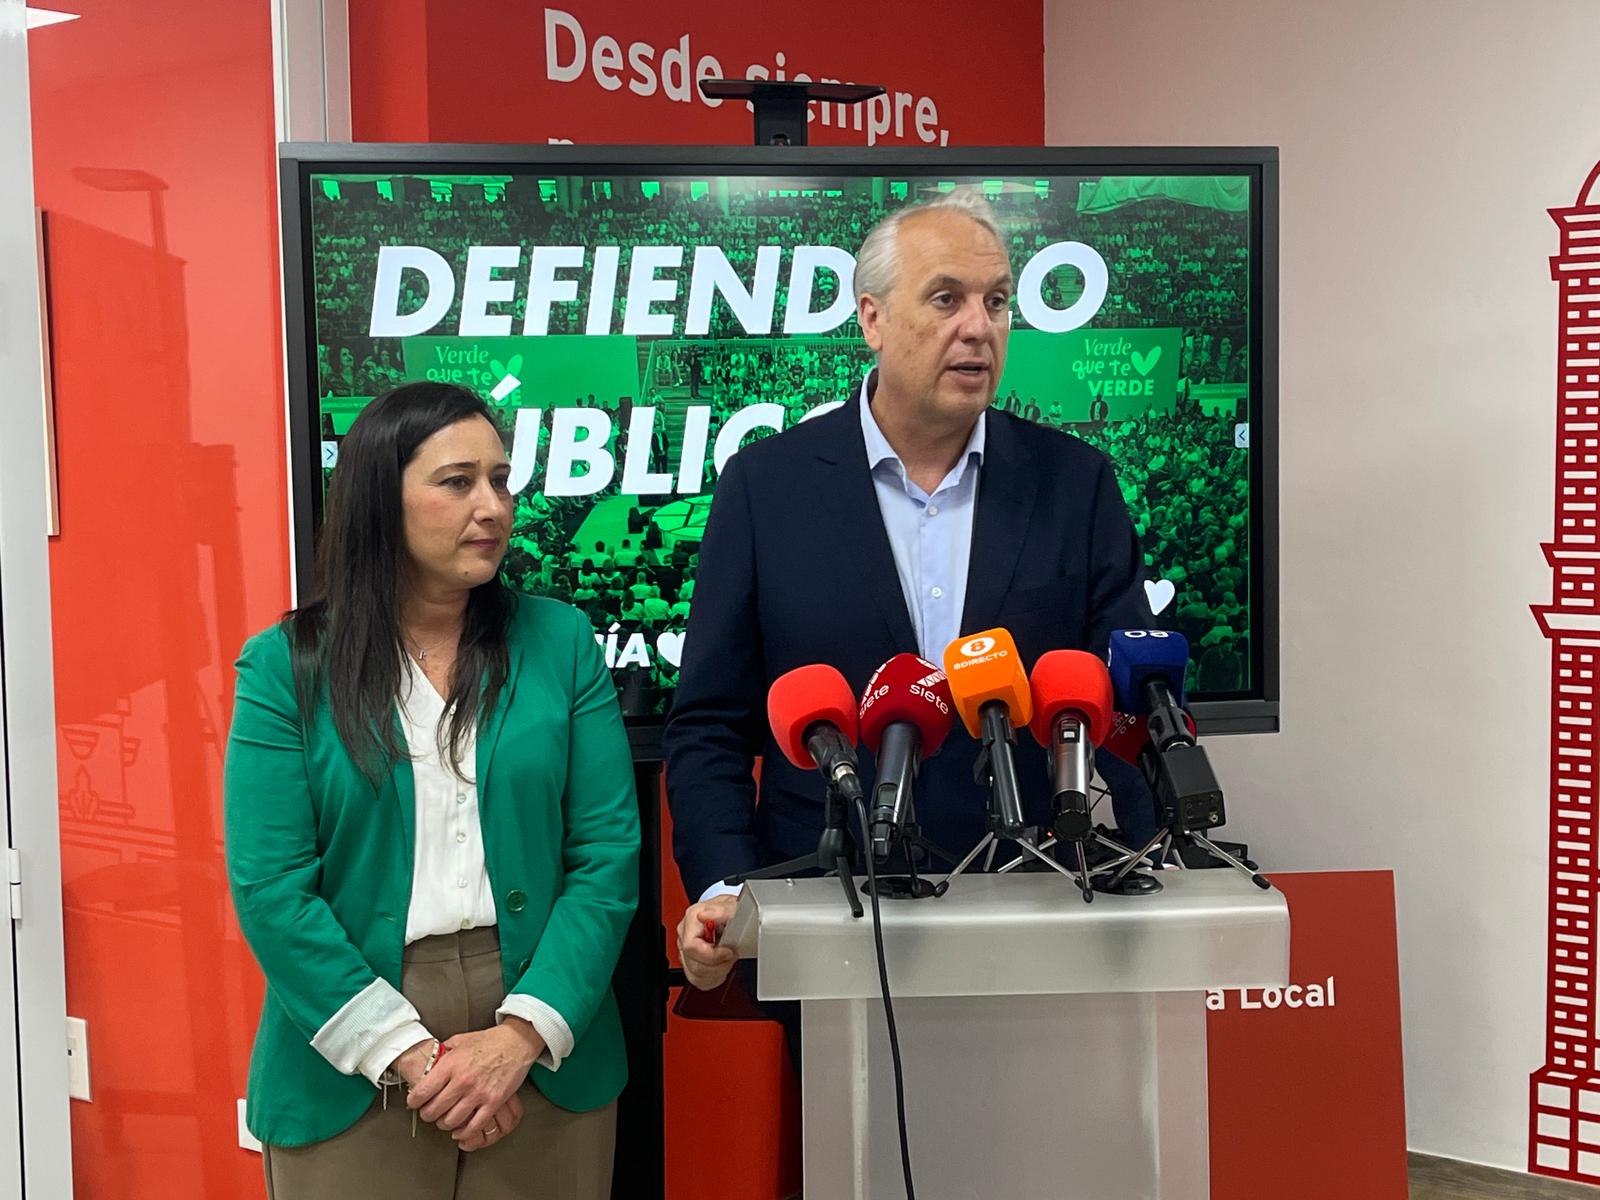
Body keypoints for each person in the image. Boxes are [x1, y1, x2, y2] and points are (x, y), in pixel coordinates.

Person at [664, 190, 1158, 1004]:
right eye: (946, 298)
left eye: (997, 301)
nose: (980, 326)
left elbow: (1124, 708)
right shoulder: (768, 488)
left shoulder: (1076, 486)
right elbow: (712, 724)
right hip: (830, 914)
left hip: (1028, 905)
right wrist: (726, 889)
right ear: (873, 319)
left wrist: (1152, 861)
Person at [224, 382, 639, 1200]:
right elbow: (270, 889)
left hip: (545, 1027)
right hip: (351, 1038)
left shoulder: (560, 642)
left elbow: (606, 856)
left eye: (501, 479)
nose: (492, 506)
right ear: (382, 498)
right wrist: (414, 1057)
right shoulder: (285, 665)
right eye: (458, 482)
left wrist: (519, 1036)